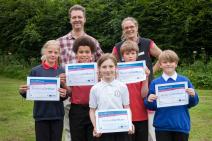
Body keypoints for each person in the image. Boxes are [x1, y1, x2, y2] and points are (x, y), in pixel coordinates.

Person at [57, 4, 103, 141]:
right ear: (70, 19)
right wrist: (59, 79)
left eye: (80, 17)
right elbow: (53, 65)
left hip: (91, 96)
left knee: (93, 131)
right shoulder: (60, 42)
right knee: (70, 129)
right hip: (70, 93)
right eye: (74, 17)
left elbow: (102, 63)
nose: (77, 20)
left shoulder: (93, 41)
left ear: (84, 19)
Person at [112, 17, 162, 141]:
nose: (129, 29)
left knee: (149, 131)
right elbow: (110, 63)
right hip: (124, 93)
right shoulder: (118, 47)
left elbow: (163, 57)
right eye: (126, 28)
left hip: (145, 90)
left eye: (131, 27)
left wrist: (151, 73)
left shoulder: (147, 43)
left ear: (137, 27)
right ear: (123, 30)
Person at [144, 50, 199, 141]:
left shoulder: (185, 80)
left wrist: (193, 95)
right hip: (162, 126)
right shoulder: (155, 83)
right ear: (160, 65)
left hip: (181, 124)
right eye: (165, 62)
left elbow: (192, 103)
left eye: (171, 62)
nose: (168, 64)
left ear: (176, 64)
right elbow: (152, 106)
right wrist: (149, 100)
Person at [19, 40, 68, 141]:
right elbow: (29, 92)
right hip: (41, 114)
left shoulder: (62, 71)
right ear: (44, 52)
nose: (53, 55)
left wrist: (65, 94)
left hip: (57, 114)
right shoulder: (35, 71)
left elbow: (65, 93)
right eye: (50, 52)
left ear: (59, 54)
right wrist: (22, 92)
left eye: (56, 52)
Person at [60, 36, 98, 141]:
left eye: (87, 52)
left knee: (93, 137)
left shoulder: (97, 70)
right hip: (77, 110)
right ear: (76, 54)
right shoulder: (72, 70)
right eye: (81, 52)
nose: (84, 55)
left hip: (94, 109)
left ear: (92, 54)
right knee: (77, 137)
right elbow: (71, 93)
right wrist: (63, 84)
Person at [89, 53, 134, 141]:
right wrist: (95, 126)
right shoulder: (95, 88)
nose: (108, 70)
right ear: (99, 69)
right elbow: (92, 110)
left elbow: (127, 107)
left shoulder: (122, 86)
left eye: (111, 66)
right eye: (104, 67)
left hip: (121, 128)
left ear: (116, 68)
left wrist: (129, 123)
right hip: (103, 129)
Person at [120, 40, 149, 141]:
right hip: (124, 116)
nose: (130, 56)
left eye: (133, 53)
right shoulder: (118, 72)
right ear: (123, 56)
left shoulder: (142, 70)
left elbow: (143, 94)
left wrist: (146, 78)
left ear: (137, 55)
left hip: (141, 115)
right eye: (127, 54)